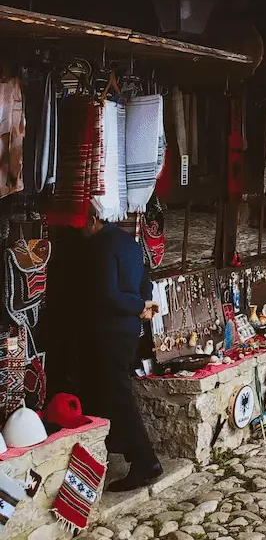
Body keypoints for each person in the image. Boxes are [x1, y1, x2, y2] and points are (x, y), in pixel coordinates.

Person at [79, 205, 163, 492]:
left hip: (111, 331)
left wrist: (139, 306)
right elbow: (145, 280)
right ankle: (119, 449)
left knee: (119, 398)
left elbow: (108, 295)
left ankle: (144, 460)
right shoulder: (129, 242)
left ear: (92, 220)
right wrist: (144, 303)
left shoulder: (102, 246)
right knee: (113, 394)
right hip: (129, 332)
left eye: (81, 224)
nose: (79, 231)